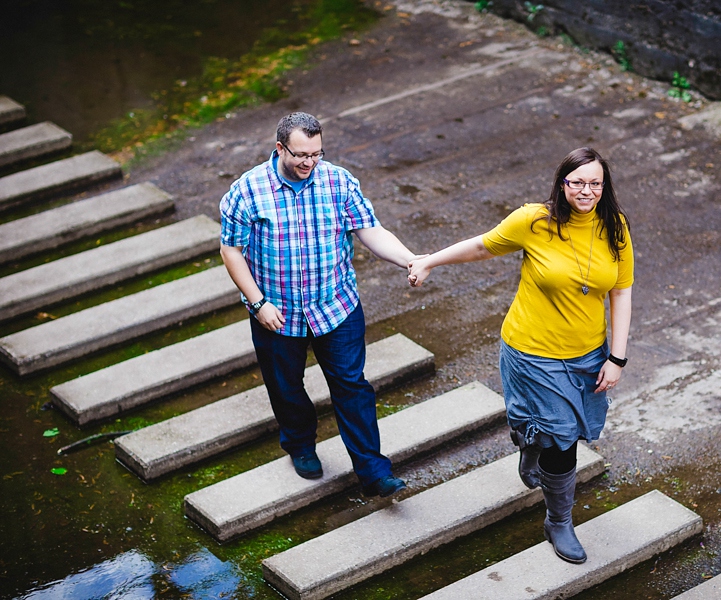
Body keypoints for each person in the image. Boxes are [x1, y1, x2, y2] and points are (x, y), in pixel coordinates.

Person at [407, 147, 634, 563]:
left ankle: (530, 443)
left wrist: (616, 358)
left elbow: (620, 292)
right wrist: (429, 262)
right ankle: (559, 521)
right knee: (563, 442)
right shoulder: (534, 220)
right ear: (562, 183)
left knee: (557, 432)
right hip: (532, 353)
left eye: (595, 183)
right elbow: (482, 246)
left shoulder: (615, 227)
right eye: (577, 182)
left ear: (605, 186)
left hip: (587, 354)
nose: (587, 190)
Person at [220, 112, 418, 498]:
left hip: (336, 306)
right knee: (286, 386)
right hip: (276, 313)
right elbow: (231, 250)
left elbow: (369, 229)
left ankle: (374, 471)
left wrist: (410, 259)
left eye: (317, 153)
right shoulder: (247, 191)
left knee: (352, 385)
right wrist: (258, 302)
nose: (309, 163)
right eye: (300, 155)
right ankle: (300, 444)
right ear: (280, 148)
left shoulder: (338, 181)